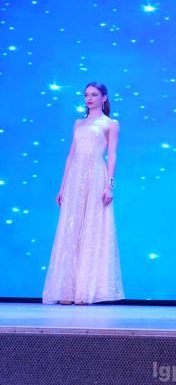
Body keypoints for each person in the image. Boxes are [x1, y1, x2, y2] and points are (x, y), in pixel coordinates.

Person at [43, 82, 124, 305]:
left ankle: (84, 291)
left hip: (96, 176)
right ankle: (66, 290)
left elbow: (112, 155)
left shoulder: (110, 124)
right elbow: (71, 155)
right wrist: (62, 186)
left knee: (91, 229)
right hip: (75, 177)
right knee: (71, 230)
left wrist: (110, 186)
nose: (89, 98)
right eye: (86, 95)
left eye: (94, 94)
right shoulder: (78, 123)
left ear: (104, 98)